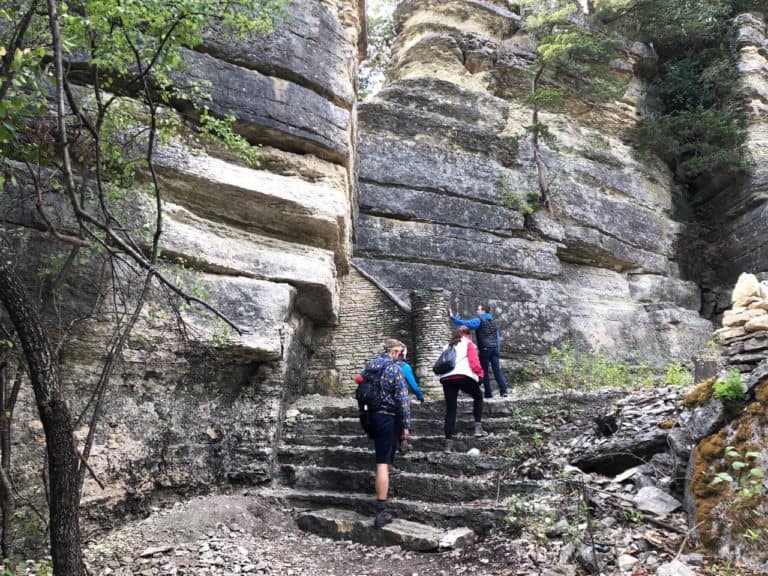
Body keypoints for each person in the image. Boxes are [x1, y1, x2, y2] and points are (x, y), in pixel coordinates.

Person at [363, 338, 411, 528]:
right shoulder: (394, 369)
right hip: (386, 416)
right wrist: (406, 425)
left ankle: (387, 475)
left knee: (383, 453)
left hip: (368, 416)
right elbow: (403, 399)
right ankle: (381, 511)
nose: (399, 356)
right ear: (393, 352)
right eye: (398, 353)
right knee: (382, 462)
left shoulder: (368, 367)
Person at [439, 326, 486, 452]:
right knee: (478, 396)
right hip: (462, 375)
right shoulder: (468, 343)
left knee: (451, 409)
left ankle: (448, 445)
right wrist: (480, 374)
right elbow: (474, 362)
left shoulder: (447, 346)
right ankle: (477, 427)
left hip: (446, 378)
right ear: (467, 334)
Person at [450, 304, 509, 398]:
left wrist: (453, 318)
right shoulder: (494, 321)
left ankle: (488, 394)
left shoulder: (479, 320)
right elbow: (497, 338)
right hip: (495, 349)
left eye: (478, 309)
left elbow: (467, 324)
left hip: (485, 349)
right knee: (497, 371)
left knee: (484, 371)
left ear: (483, 311)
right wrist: (497, 349)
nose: (476, 311)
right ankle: (504, 391)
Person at [395, 345, 423, 454]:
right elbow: (413, 385)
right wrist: (420, 396)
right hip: (399, 399)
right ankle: (403, 443)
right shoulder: (404, 366)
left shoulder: (383, 365)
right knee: (402, 418)